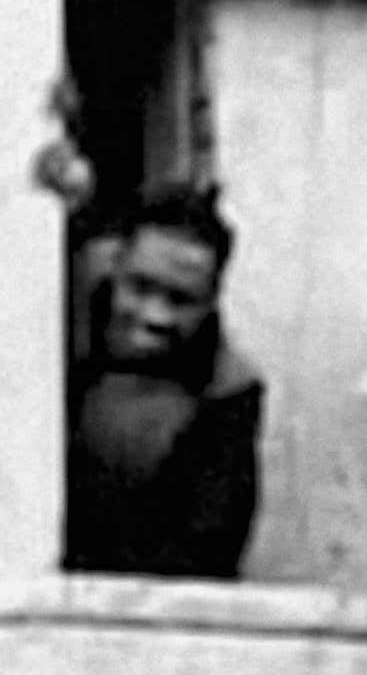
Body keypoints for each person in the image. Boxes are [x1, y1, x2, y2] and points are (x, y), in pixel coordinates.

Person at [67, 182, 262, 581]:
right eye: (140, 288)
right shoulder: (53, 335)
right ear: (115, 266)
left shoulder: (228, 392)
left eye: (180, 300)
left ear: (211, 301)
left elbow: (209, 552)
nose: (154, 317)